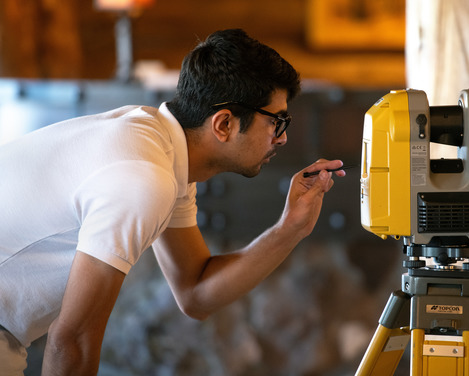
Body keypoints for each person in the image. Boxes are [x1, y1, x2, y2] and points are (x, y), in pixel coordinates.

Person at [0, 29, 346, 375]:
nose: (282, 138)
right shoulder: (145, 178)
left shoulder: (160, 148)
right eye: (276, 121)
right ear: (224, 124)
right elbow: (73, 340)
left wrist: (290, 228)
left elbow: (195, 292)